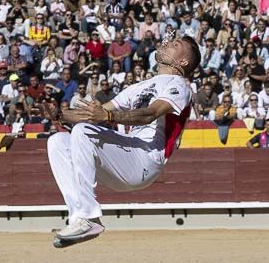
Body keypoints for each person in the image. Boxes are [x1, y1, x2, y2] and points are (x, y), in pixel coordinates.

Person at [47, 35, 199, 248]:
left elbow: (150, 114)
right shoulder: (142, 86)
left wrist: (107, 117)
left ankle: (89, 218)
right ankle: (79, 218)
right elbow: (98, 113)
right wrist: (60, 116)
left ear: (183, 61)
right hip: (125, 156)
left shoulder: (179, 86)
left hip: (145, 160)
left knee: (83, 132)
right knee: (57, 141)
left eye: (175, 45)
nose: (166, 44)